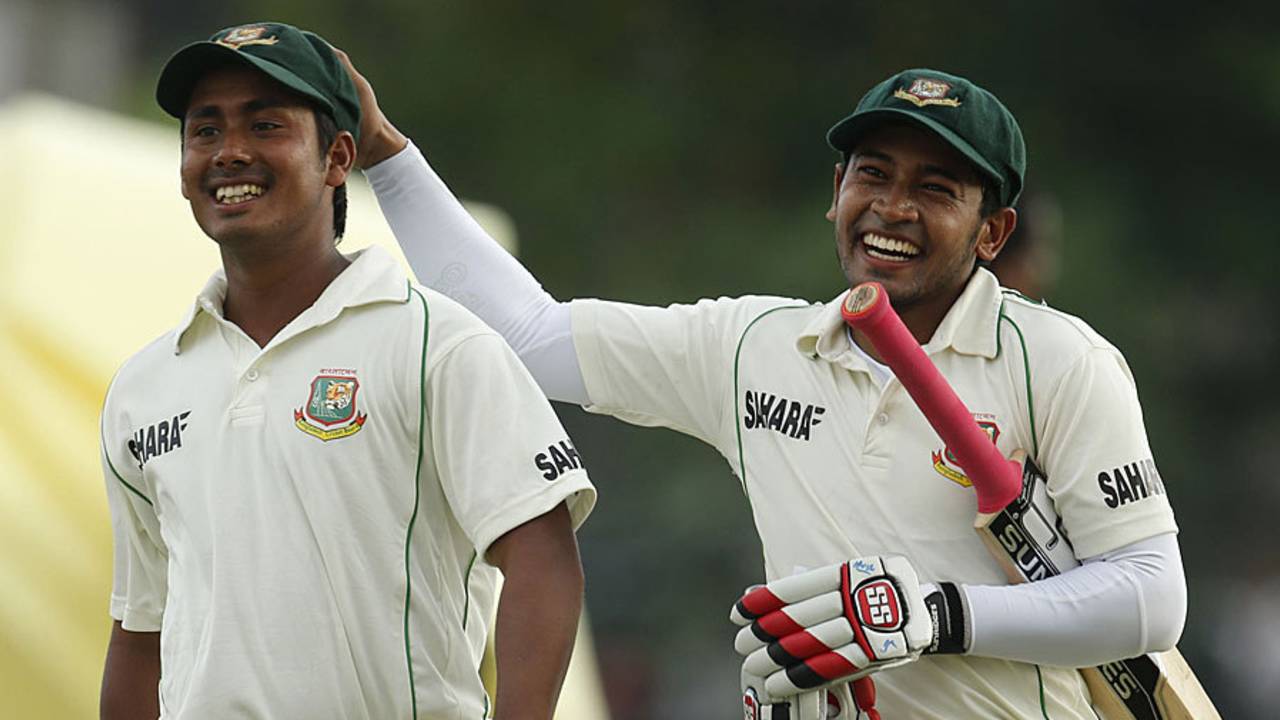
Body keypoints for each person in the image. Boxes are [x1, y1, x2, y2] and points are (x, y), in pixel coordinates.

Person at [350, 61, 1185, 718]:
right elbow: (531, 337)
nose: (892, 208)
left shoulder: (1061, 361)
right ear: (836, 194)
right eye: (873, 174)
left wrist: (935, 615)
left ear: (993, 231)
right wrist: (385, 154)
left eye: (936, 188)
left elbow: (1150, 596)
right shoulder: (754, 345)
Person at [98, 22, 596, 720]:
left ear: (336, 157)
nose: (229, 152)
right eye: (204, 131)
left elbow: (543, 558)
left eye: (265, 124)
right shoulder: (142, 389)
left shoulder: (438, 343)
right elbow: (140, 630)